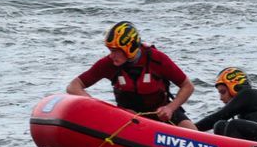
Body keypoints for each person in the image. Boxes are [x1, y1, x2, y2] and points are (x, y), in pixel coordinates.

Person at [66, 21, 197, 129]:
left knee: (191, 130)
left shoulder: (157, 59)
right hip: (126, 117)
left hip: (162, 113)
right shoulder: (108, 64)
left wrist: (170, 108)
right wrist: (103, 108)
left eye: (115, 51)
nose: (111, 55)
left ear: (130, 48)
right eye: (110, 51)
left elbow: (187, 86)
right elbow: (74, 86)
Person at [194, 68, 257, 147]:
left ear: (234, 87)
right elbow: (218, 120)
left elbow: (219, 115)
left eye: (223, 92)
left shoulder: (249, 94)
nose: (221, 98)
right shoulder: (244, 102)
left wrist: (189, 129)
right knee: (220, 125)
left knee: (233, 125)